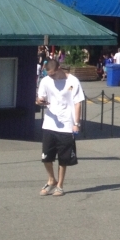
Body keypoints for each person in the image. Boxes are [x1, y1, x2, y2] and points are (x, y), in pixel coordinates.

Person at [35, 58, 84, 196]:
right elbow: (39, 98)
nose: (50, 77)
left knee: (63, 158)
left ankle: (60, 185)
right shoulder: (46, 81)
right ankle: (51, 180)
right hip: (50, 123)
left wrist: (76, 123)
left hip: (67, 125)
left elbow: (77, 103)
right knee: (46, 156)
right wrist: (40, 101)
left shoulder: (73, 81)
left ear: (59, 68)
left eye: (52, 74)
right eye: (48, 74)